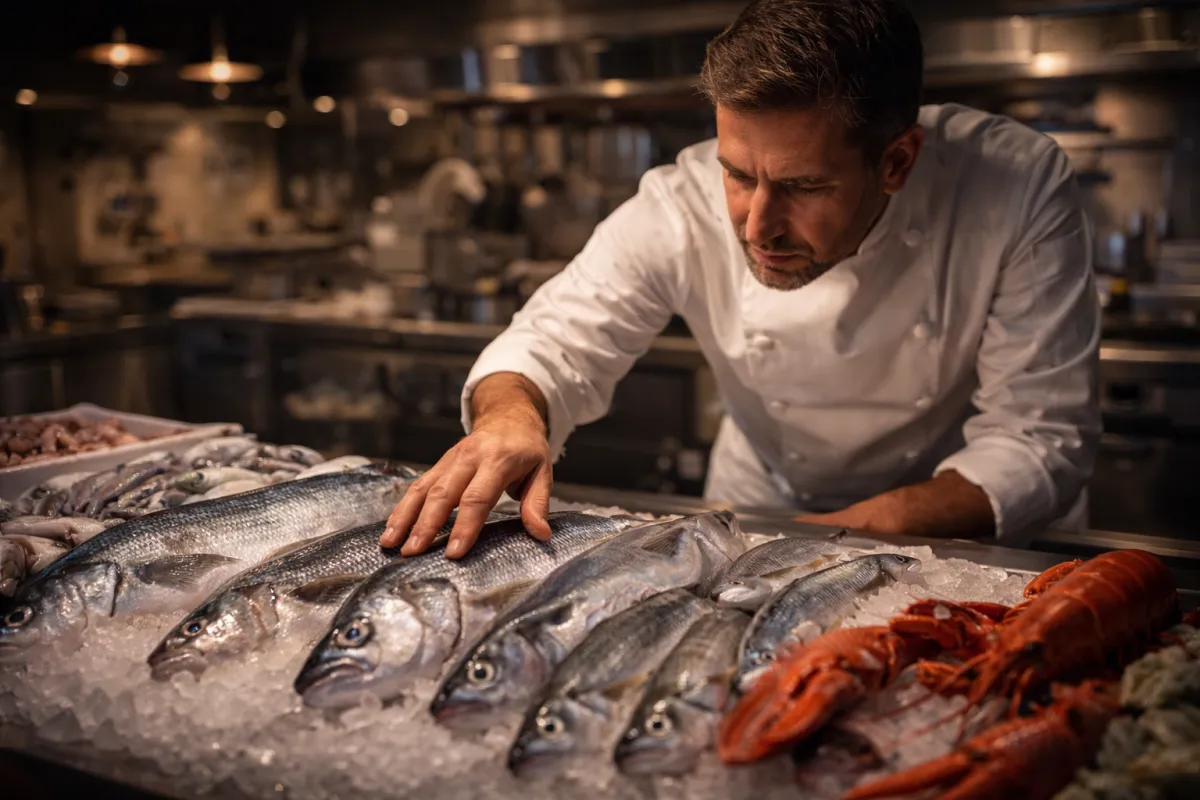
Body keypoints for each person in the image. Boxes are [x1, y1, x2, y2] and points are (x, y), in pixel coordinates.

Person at [380, 0, 1100, 559]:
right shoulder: (680, 202)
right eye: (736, 174)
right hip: (759, 501)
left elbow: (1039, 437)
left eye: (803, 185)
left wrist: (836, 538)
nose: (756, 225)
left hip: (949, 521)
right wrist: (513, 420)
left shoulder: (1012, 186)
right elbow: (553, 339)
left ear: (896, 163)